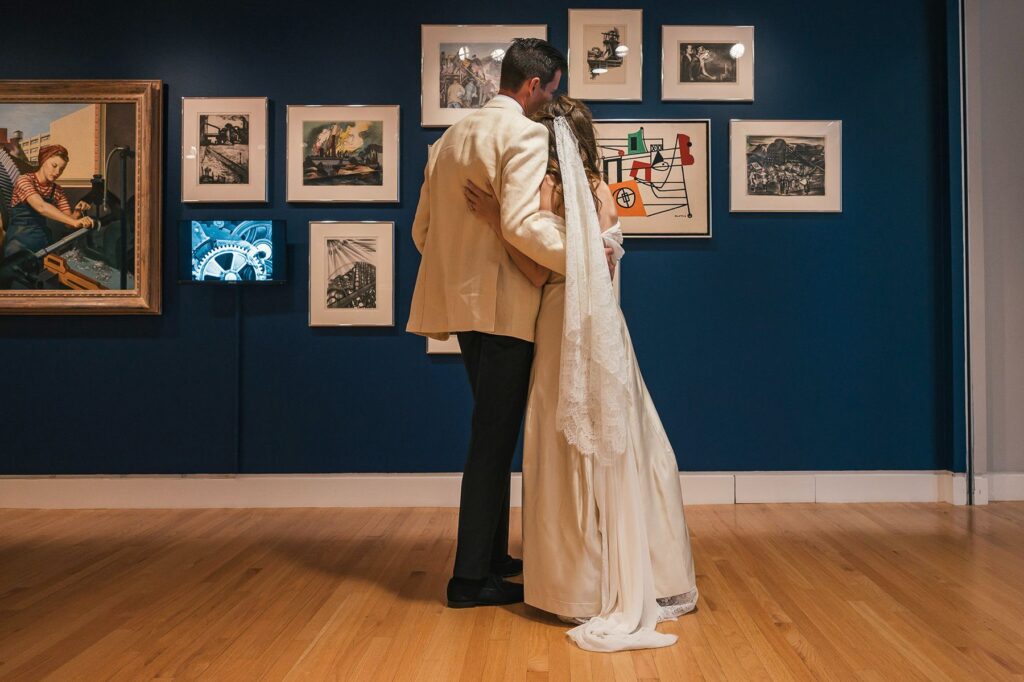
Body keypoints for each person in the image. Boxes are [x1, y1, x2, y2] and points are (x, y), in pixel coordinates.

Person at [463, 95, 699, 653]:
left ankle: (580, 582)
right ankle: (645, 570)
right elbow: (605, 258)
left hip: (560, 322)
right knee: (623, 434)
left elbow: (535, 264)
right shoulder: (601, 190)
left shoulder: (550, 190)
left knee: (564, 434)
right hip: (608, 327)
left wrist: (498, 221)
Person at [408, 38, 607, 610]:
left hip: (463, 307)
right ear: (532, 86)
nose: (552, 102)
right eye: (552, 90)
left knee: (491, 431)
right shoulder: (523, 133)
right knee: (492, 441)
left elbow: (423, 233)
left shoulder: (447, 139)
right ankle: (469, 580)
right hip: (505, 307)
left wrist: (465, 261)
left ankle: (492, 559)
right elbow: (522, 225)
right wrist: (585, 255)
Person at [4, 144, 94, 257]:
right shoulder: (24, 180)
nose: (57, 172)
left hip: (42, 240)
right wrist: (74, 222)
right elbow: (41, 207)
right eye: (54, 165)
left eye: (62, 169)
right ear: (43, 161)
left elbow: (69, 223)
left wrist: (77, 212)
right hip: (19, 241)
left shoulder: (57, 190)